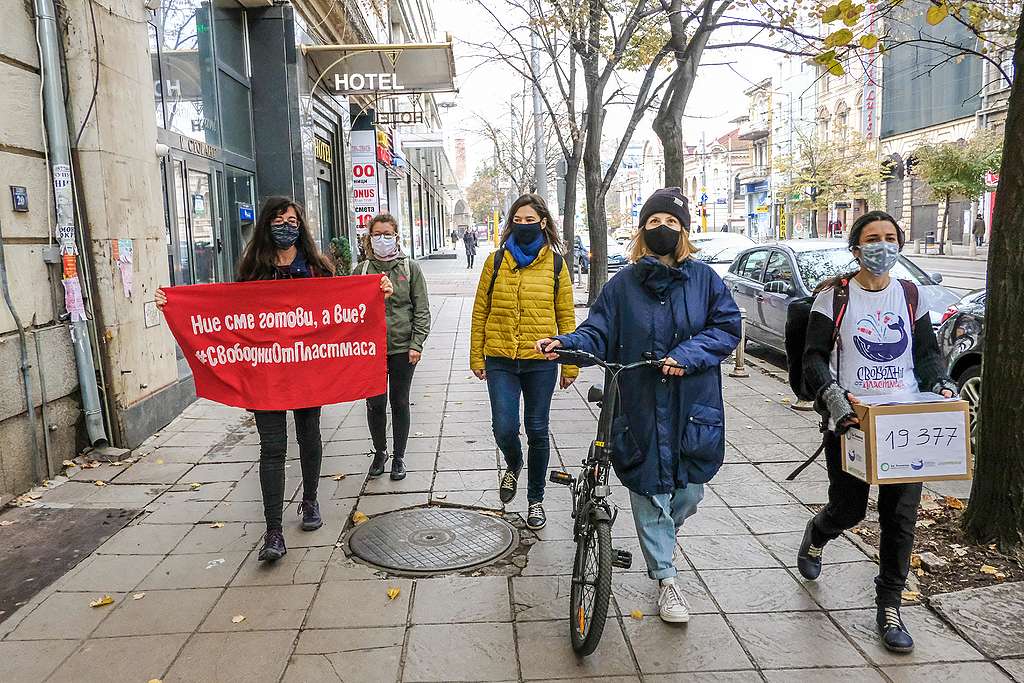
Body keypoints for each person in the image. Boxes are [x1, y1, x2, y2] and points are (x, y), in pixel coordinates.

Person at [535, 187, 741, 623]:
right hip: (641, 406)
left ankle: (662, 535)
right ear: (642, 232)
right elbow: (597, 331)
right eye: (654, 222)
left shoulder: (706, 281)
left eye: (671, 223)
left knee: (687, 492)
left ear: (683, 231)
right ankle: (666, 579)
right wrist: (566, 345)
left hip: (692, 406)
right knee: (649, 492)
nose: (662, 229)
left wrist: (686, 356)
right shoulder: (621, 286)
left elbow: (727, 328)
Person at [156, 197, 394, 563]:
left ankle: (311, 500)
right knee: (272, 447)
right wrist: (175, 303)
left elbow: (343, 305)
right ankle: (273, 530)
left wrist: (378, 293)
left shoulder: (316, 266)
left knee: (308, 435)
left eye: (293, 219)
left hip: (306, 370)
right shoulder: (254, 268)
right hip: (265, 372)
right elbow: (227, 312)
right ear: (267, 223)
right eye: (280, 219)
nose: (287, 225)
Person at [798, 210, 957, 653]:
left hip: (904, 422)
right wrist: (835, 400)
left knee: (900, 517)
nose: (882, 246)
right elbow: (813, 357)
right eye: (872, 238)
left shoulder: (911, 295)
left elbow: (925, 356)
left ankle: (890, 606)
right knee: (849, 510)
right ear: (855, 247)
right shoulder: (834, 297)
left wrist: (941, 383)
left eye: (890, 238)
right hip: (852, 422)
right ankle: (818, 533)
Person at [470, 193, 577, 530]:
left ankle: (536, 500)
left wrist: (569, 362)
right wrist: (477, 354)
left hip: (541, 360)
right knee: (503, 426)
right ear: (510, 222)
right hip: (500, 356)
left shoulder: (557, 265)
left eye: (531, 220)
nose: (525, 225)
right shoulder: (496, 261)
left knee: (537, 430)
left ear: (543, 222)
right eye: (519, 219)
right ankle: (513, 464)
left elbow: (566, 317)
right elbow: (480, 311)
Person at [355, 213, 431, 481]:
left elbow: (421, 309)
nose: (382, 239)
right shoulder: (361, 270)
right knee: (375, 404)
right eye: (377, 235)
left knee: (399, 402)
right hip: (372, 352)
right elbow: (351, 312)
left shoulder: (410, 268)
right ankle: (380, 452)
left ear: (396, 237)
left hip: (402, 347)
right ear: (369, 238)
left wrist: (416, 343)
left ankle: (399, 456)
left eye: (388, 234)